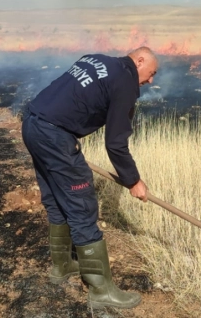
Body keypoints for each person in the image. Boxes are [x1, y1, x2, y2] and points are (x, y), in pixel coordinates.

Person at [21, 47, 158, 309]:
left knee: (55, 198)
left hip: (33, 123)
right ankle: (100, 290)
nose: (151, 80)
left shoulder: (97, 59)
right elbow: (116, 143)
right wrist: (133, 181)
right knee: (82, 207)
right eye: (151, 73)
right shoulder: (125, 82)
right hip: (55, 136)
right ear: (139, 61)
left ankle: (62, 267)